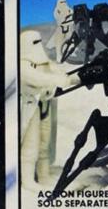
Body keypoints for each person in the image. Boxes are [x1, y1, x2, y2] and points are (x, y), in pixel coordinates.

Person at [20, 30, 80, 192]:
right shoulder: (22, 65)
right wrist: (58, 80)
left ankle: (44, 176)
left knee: (44, 144)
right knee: (31, 145)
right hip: (30, 108)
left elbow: (61, 74)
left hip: (45, 105)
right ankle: (27, 180)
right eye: (35, 42)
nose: (38, 45)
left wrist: (79, 79)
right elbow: (37, 78)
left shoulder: (44, 63)